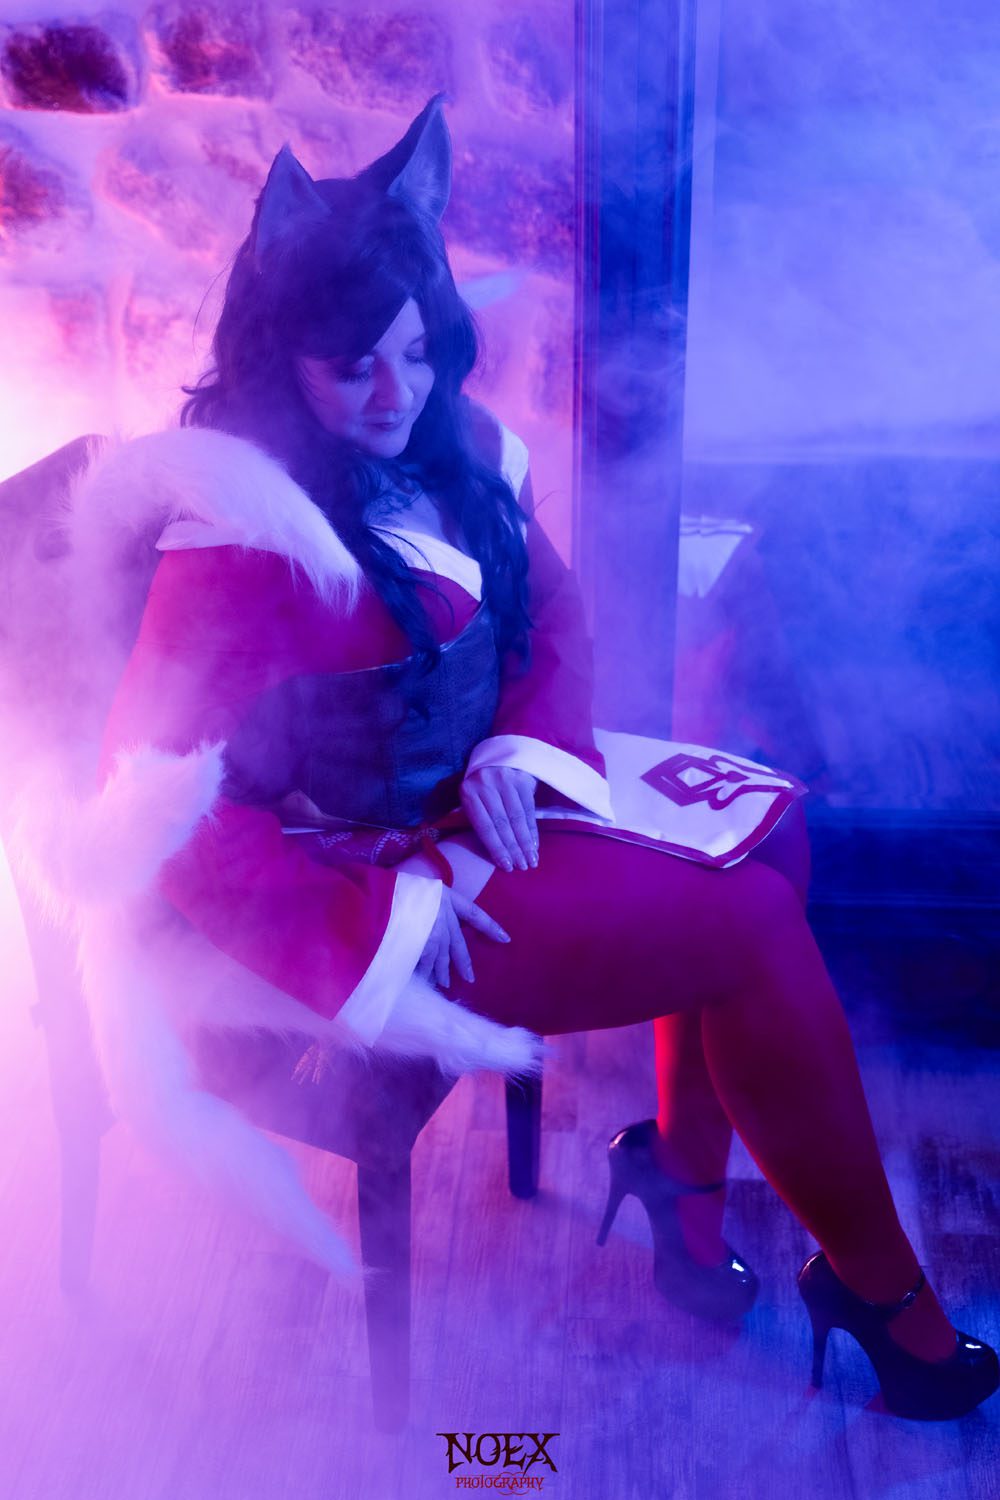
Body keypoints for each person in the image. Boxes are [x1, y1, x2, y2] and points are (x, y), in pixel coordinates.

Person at [36, 95, 996, 1422]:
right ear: (277, 356)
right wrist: (375, 931)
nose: (400, 394)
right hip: (376, 879)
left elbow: (556, 615)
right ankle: (884, 1298)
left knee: (776, 834)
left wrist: (519, 749)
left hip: (478, 805)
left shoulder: (461, 445)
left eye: (419, 351)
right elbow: (159, 813)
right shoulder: (239, 539)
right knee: (756, 925)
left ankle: (681, 1194)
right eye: (355, 366)